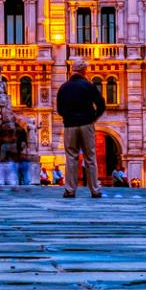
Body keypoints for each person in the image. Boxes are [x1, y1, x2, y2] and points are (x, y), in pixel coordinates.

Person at [56, 57, 105, 199]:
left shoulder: (64, 87)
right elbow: (101, 104)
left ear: (73, 70)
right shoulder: (88, 86)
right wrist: (93, 117)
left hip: (70, 125)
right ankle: (95, 189)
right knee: (90, 157)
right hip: (86, 124)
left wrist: (68, 117)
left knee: (71, 157)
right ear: (84, 71)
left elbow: (59, 109)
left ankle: (70, 190)